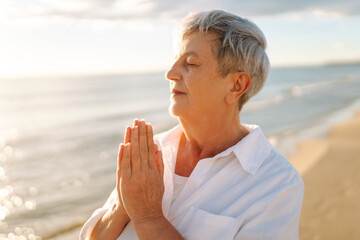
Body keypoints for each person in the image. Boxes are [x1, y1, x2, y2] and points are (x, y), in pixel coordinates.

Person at [80, 10, 304, 240]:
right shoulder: (152, 152)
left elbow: (146, 216)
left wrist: (149, 217)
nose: (170, 73)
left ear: (236, 85)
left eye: (190, 63)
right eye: (175, 60)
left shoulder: (276, 184)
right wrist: (123, 207)